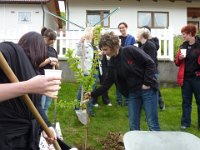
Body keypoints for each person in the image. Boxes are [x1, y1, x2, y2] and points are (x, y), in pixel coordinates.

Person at [86, 32, 160, 131]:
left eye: (105, 49)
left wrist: (146, 83)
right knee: (133, 125)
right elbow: (107, 83)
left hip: (148, 91)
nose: (103, 52)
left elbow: (150, 63)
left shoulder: (130, 50)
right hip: (133, 93)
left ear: (114, 46)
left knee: (152, 124)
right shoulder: (112, 61)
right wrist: (92, 94)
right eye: (102, 50)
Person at [0, 32, 57, 149]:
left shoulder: (33, 71)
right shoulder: (12, 51)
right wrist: (28, 86)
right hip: (7, 139)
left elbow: (36, 106)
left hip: (26, 139)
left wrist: (46, 126)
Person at [175, 24, 200, 130]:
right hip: (186, 79)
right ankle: (185, 123)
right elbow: (177, 62)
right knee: (186, 102)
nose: (183, 36)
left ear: (190, 34)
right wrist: (180, 58)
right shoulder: (183, 46)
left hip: (197, 78)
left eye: (184, 34)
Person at [75, 27, 97, 116]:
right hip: (86, 71)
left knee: (90, 90)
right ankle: (77, 108)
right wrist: (80, 42)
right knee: (83, 90)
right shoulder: (84, 43)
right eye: (94, 33)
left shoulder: (92, 44)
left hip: (93, 70)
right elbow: (79, 52)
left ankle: (89, 109)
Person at [142, 26, 165, 110]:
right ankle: (146, 105)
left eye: (146, 30)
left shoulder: (155, 39)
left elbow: (156, 47)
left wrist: (150, 38)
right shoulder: (142, 41)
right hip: (144, 68)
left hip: (153, 68)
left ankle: (160, 101)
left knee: (155, 87)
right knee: (147, 87)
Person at [39, 27, 59, 115]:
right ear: (47, 38)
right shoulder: (40, 49)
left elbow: (58, 66)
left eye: (54, 40)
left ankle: (45, 125)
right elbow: (38, 64)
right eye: (52, 40)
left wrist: (56, 62)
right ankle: (39, 125)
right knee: (41, 105)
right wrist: (48, 60)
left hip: (51, 79)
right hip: (42, 79)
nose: (53, 42)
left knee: (47, 105)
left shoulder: (53, 50)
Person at [117, 22, 136, 106]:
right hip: (118, 62)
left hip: (128, 62)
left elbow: (134, 50)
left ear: (126, 28)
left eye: (123, 27)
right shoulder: (117, 38)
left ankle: (127, 100)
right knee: (118, 81)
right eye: (120, 28)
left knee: (127, 81)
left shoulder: (131, 38)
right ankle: (119, 101)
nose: (121, 29)